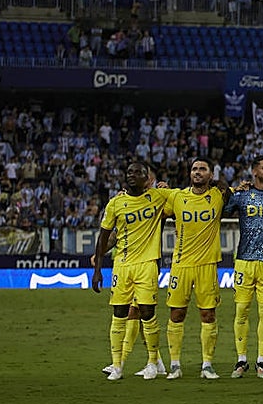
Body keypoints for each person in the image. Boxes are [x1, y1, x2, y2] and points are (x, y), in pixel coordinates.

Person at [91, 160, 170, 381]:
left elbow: (189, 200)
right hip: (122, 265)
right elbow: (108, 235)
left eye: (138, 172)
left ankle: (152, 361)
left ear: (148, 178)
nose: (132, 175)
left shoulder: (160, 197)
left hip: (148, 263)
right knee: (122, 314)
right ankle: (121, 364)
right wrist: (98, 263)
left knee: (145, 312)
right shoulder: (116, 203)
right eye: (129, 172)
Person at [164, 158, 231, 380]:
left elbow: (240, 189)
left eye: (202, 169)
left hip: (207, 265)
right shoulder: (176, 197)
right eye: (194, 169)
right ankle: (174, 364)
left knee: (208, 314)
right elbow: (153, 206)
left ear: (210, 174)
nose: (197, 172)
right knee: (177, 313)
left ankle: (207, 365)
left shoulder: (219, 195)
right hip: (181, 264)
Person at [225, 154, 263, 379]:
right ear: (255, 172)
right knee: (241, 310)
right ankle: (241, 360)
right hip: (244, 262)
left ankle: (261, 361)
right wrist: (233, 189)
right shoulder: (242, 196)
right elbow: (222, 209)